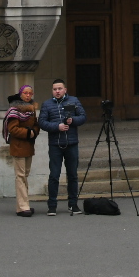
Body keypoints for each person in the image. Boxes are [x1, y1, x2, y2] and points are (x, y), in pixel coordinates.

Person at [38, 78, 87, 215]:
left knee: (72, 175)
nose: (57, 91)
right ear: (52, 91)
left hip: (71, 143)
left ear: (65, 90)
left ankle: (73, 204)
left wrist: (73, 120)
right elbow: (41, 122)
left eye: (60, 89)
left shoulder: (74, 101)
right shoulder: (47, 104)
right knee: (54, 175)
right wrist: (57, 126)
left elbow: (83, 117)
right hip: (55, 145)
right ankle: (52, 205)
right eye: (55, 89)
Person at [3, 85, 40, 216]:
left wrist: (34, 132)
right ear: (21, 94)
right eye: (25, 93)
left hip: (29, 145)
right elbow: (13, 129)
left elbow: (36, 124)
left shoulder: (31, 109)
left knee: (25, 176)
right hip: (18, 145)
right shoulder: (14, 110)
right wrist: (28, 132)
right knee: (20, 176)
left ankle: (24, 204)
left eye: (30, 93)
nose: (28, 95)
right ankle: (23, 207)